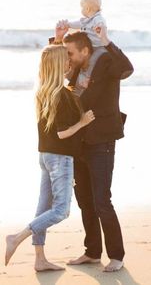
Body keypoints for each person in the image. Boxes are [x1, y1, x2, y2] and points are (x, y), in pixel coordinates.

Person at [50, 24, 134, 272]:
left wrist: (107, 40)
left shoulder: (106, 62)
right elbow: (52, 71)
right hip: (79, 143)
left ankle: (116, 255)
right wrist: (57, 41)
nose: (68, 58)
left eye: (71, 53)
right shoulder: (74, 70)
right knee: (84, 200)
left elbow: (127, 68)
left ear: (85, 51)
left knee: (101, 201)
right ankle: (92, 252)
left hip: (102, 143)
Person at [5, 45, 95, 271]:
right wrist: (83, 122)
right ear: (57, 65)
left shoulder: (44, 90)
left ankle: (40, 259)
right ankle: (16, 237)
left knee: (43, 207)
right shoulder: (62, 94)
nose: (69, 63)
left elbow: (53, 129)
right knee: (61, 210)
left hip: (45, 156)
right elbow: (61, 133)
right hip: (60, 158)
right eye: (65, 60)